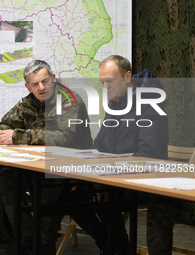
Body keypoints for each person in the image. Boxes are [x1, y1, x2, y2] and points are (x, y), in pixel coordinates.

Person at [70, 55, 168, 254]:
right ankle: (113, 245)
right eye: (102, 82)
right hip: (117, 176)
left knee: (103, 195)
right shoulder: (116, 103)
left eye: (110, 81)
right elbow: (100, 145)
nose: (106, 87)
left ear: (127, 77)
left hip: (147, 179)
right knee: (68, 193)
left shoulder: (150, 103)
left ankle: (117, 247)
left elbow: (147, 155)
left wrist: (108, 176)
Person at [0, 60, 93, 254]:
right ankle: (26, 238)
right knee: (5, 178)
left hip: (72, 167)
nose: (41, 87)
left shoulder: (69, 100)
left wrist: (17, 136)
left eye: (45, 81)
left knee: (46, 185)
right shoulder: (29, 102)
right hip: (40, 164)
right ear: (28, 87)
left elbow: (62, 137)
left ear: (54, 79)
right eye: (35, 84)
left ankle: (45, 244)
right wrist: (1, 133)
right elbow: (3, 125)